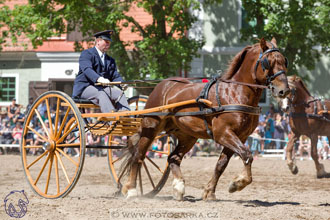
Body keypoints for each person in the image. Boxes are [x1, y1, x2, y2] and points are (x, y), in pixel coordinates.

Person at [72, 30, 129, 113]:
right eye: (106, 42)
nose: (108, 44)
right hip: (84, 88)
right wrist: (99, 79)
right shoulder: (87, 54)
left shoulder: (110, 60)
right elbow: (87, 69)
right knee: (101, 94)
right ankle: (111, 119)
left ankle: (125, 116)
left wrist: (122, 83)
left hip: (102, 89)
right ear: (98, 41)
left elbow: (114, 75)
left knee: (119, 93)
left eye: (109, 42)